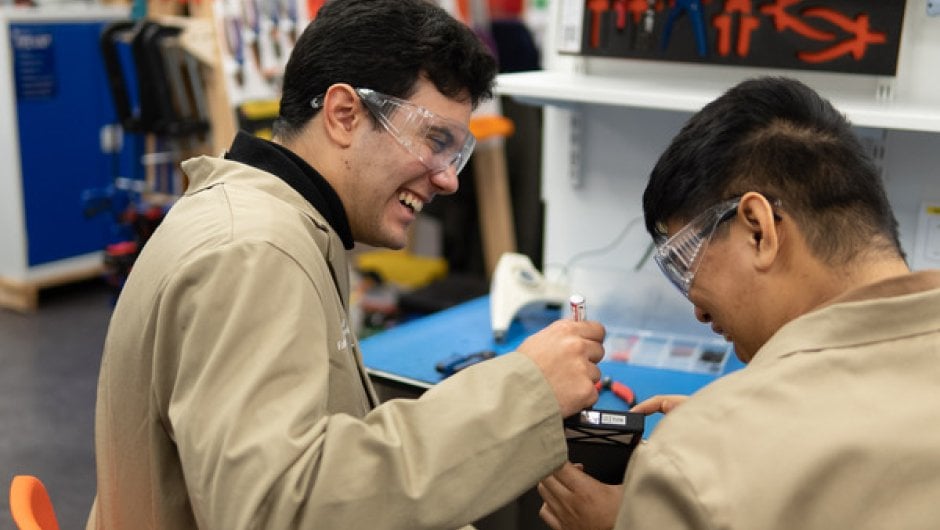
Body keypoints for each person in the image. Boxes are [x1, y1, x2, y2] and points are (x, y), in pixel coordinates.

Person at [86, 1, 606, 528]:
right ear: (343, 115)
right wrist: (527, 392)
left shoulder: (279, 221)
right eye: (435, 140)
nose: (449, 178)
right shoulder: (252, 252)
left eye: (457, 153)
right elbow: (275, 509)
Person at [537, 76, 940, 530]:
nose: (699, 310)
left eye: (684, 260)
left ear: (757, 229)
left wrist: (643, 510)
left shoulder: (702, 456)